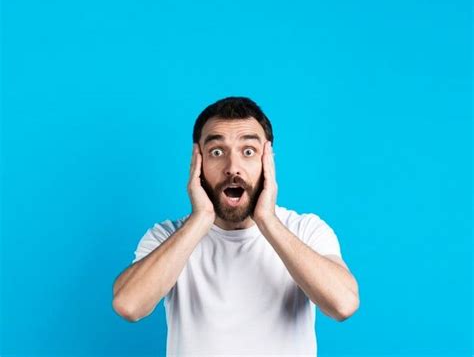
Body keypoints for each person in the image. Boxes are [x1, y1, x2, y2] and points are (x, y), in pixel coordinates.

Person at [112, 96, 359, 356]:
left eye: (248, 151)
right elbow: (129, 306)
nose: (233, 168)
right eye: (217, 152)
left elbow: (343, 305)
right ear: (198, 162)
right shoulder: (167, 236)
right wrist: (200, 219)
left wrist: (268, 221)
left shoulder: (306, 229)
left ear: (268, 160)